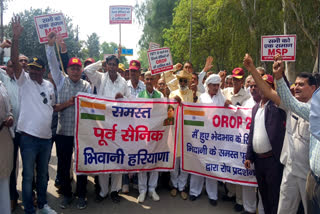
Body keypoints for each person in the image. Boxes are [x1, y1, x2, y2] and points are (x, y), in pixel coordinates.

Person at [244, 54, 317, 214]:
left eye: (301, 85)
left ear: (313, 88)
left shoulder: (315, 111)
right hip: (290, 168)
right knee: (284, 209)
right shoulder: (291, 105)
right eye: (295, 84)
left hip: (308, 173)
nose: (296, 87)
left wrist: (278, 77)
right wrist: (252, 69)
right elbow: (269, 92)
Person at [11, 16, 57, 214]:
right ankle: (30, 209)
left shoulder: (49, 85)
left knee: (43, 175)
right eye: (31, 69)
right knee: (28, 176)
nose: (34, 72)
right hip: (28, 138)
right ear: (27, 70)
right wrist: (16, 38)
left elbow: (51, 107)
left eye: (38, 70)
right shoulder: (24, 81)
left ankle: (43, 205)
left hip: (46, 140)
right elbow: (14, 60)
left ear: (43, 70)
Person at [46, 32, 92, 210]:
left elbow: (91, 107)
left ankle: (81, 194)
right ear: (68, 69)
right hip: (63, 131)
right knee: (64, 165)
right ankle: (66, 194)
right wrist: (51, 46)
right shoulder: (60, 81)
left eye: (77, 68)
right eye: (72, 68)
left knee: (81, 165)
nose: (74, 71)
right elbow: (52, 62)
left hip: (81, 134)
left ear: (81, 70)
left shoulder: (86, 86)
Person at [84, 54, 131, 203]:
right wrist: (101, 62)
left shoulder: (123, 82)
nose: (111, 67)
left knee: (117, 157)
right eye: (109, 64)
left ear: (118, 67)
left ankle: (114, 191)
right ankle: (103, 191)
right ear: (106, 65)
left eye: (113, 64)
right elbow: (87, 70)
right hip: (103, 124)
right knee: (104, 157)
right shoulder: (100, 78)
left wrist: (121, 98)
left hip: (118, 124)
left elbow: (129, 101)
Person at [243, 54, 287, 214]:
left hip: (273, 161)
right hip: (259, 162)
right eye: (261, 85)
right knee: (264, 196)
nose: (262, 88)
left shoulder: (277, 106)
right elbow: (252, 134)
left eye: (266, 85)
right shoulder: (256, 108)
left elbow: (285, 93)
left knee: (274, 197)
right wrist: (249, 156)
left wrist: (279, 75)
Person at [189, 74, 225, 206]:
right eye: (214, 85)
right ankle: (194, 191)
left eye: (217, 85)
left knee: (211, 165)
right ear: (208, 85)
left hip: (215, 138)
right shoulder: (201, 97)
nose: (216, 87)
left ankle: (212, 195)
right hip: (200, 137)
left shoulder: (222, 98)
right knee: (198, 164)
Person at [169, 69, 200, 200]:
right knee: (174, 161)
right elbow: (169, 112)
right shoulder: (172, 93)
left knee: (184, 162)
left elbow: (195, 112)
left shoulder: (192, 94)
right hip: (174, 131)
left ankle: (182, 187)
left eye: (184, 80)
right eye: (180, 80)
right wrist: (173, 102)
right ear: (178, 81)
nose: (182, 82)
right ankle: (174, 186)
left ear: (187, 81)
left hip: (187, 132)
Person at [136, 71, 163, 203]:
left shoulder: (160, 95)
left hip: (156, 133)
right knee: (142, 160)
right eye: (147, 79)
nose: (149, 81)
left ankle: (152, 189)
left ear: (155, 80)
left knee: (154, 161)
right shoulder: (139, 95)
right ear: (144, 80)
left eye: (151, 79)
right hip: (143, 133)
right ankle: (142, 190)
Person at [0, 41, 21, 211]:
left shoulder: (24, 81)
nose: (12, 69)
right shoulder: (3, 80)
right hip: (8, 132)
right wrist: (2, 48)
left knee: (22, 167)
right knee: (9, 166)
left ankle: (21, 196)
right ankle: (11, 197)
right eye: (9, 66)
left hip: (24, 130)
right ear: (5, 68)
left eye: (15, 66)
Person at [0, 79, 14, 214]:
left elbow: (9, 109)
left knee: (3, 177)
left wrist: (10, 117)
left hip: (4, 135)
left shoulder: (1, 85)